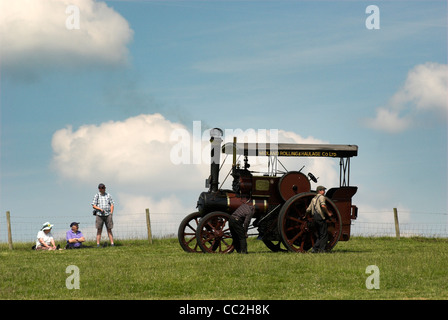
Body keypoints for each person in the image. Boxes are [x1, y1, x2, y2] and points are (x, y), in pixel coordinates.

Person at [306, 185, 333, 253]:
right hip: (320, 217)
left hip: (314, 218)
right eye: (323, 190)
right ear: (319, 191)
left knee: (319, 235)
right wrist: (328, 213)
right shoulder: (322, 197)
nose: (324, 191)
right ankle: (322, 250)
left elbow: (308, 210)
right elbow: (323, 206)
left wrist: (305, 216)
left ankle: (314, 249)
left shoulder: (313, 199)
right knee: (324, 235)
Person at [92, 183, 115, 247]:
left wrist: (111, 213)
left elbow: (112, 204)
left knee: (109, 229)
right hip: (99, 215)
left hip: (108, 214)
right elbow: (93, 205)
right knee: (99, 229)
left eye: (103, 188)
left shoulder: (108, 195)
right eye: (100, 188)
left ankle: (112, 243)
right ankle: (98, 244)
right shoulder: (97, 195)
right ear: (99, 189)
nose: (102, 189)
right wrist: (100, 209)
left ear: (105, 188)